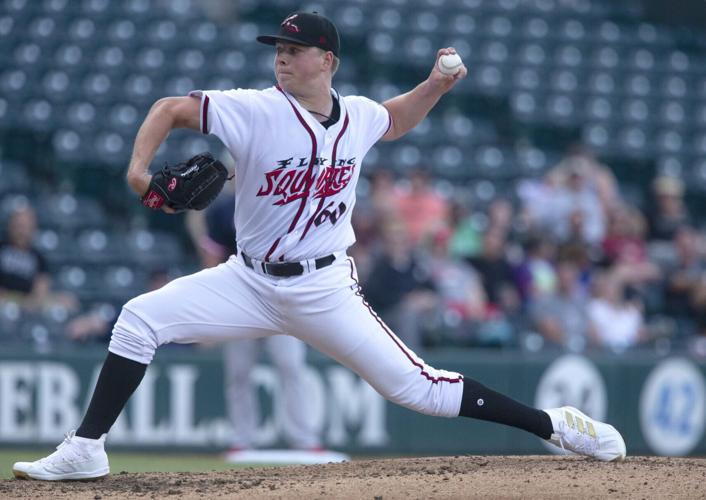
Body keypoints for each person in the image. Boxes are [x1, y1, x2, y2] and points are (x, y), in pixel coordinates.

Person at [13, 11, 625, 481]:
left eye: (293, 50)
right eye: (278, 50)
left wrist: (436, 84)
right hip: (247, 281)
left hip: (323, 285)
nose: (281, 59)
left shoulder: (356, 116)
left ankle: (557, 427)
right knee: (137, 320)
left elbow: (396, 117)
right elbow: (170, 108)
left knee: (421, 391)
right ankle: (85, 450)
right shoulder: (253, 110)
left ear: (326, 59)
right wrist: (139, 174)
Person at [185, 188, 340, 460]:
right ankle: (242, 439)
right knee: (239, 372)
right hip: (239, 294)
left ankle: (304, 439)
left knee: (291, 366)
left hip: (282, 291)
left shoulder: (282, 198)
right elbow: (211, 257)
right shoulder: (223, 208)